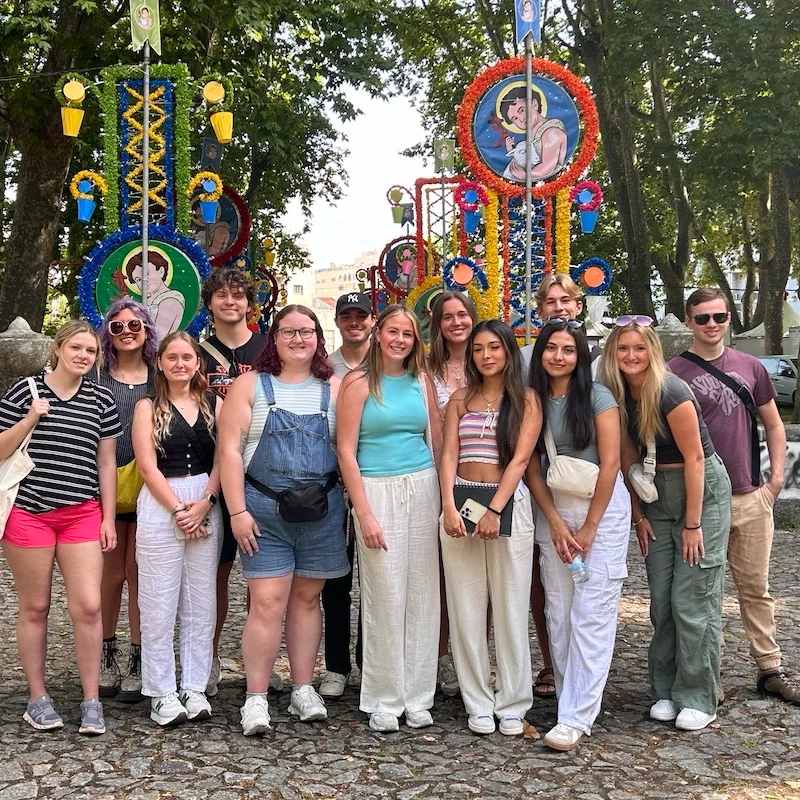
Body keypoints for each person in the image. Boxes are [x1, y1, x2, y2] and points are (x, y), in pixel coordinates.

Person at [218, 305, 349, 735]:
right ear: (273, 338)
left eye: (306, 332)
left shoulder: (336, 386)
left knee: (307, 601)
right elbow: (230, 452)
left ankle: (302, 688)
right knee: (267, 602)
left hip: (322, 511)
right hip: (264, 513)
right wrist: (237, 511)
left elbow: (348, 449)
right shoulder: (250, 385)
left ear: (318, 338)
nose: (298, 339)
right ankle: (256, 696)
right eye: (288, 332)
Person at [669, 288, 799, 705]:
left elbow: (774, 424)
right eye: (703, 318)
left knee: (755, 587)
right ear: (688, 321)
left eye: (720, 317)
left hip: (748, 494)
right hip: (702, 497)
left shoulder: (750, 367)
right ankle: (708, 674)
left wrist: (775, 479)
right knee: (704, 590)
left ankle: (769, 667)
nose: (712, 325)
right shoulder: (673, 372)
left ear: (729, 319)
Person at [601, 317, 731, 731]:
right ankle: (666, 689)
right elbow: (625, 458)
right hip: (655, 496)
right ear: (613, 353)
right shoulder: (617, 393)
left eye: (639, 348)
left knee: (692, 599)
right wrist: (638, 514)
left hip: (698, 494)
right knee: (661, 600)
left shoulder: (670, 390)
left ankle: (698, 695)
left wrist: (693, 524)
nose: (631, 356)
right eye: (623, 348)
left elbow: (694, 459)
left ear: (652, 351)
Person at [0, 320, 121, 735]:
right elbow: (0, 449)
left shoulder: (101, 400)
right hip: (29, 513)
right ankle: (37, 698)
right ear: (58, 347)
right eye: (76, 347)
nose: (83, 356)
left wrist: (107, 516)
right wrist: (31, 418)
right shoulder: (24, 390)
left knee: (88, 606)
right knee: (35, 607)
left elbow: (106, 462)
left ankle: (90, 700)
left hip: (81, 514)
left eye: (91, 350)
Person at [337, 305, 442, 733]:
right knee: (383, 592)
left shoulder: (422, 381)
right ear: (379, 335)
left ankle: (418, 694)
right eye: (393, 331)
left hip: (422, 485)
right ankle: (383, 695)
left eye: (409, 334)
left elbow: (435, 438)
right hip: (376, 490)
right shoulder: (358, 382)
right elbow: (345, 450)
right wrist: (363, 512)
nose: (400, 339)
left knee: (423, 592)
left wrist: (445, 499)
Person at [526, 319, 630, 751]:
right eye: (551, 348)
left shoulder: (598, 397)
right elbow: (531, 464)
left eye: (568, 350)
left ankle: (577, 716)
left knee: (592, 614)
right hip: (554, 508)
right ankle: (570, 702)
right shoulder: (531, 399)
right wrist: (552, 519)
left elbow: (611, 464)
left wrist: (588, 528)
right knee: (559, 611)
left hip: (600, 511)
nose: (558, 357)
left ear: (580, 355)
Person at [439, 320, 539, 736]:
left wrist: (495, 509)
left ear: (508, 351)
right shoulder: (460, 399)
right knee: (465, 607)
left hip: (506, 501)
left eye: (494, 347)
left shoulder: (527, 399)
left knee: (512, 604)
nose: (486, 355)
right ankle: (477, 700)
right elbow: (448, 455)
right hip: (461, 497)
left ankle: (513, 701)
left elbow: (520, 460)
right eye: (478, 348)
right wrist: (447, 503)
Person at [132, 332, 223, 727]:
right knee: (158, 601)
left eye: (188, 357)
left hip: (205, 497)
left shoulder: (214, 404)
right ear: (161, 363)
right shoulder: (147, 406)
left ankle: (195, 686)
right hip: (161, 503)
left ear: (197, 363)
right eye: (173, 357)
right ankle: (162, 691)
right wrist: (178, 510)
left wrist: (204, 503)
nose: (181, 364)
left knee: (201, 603)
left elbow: (225, 457)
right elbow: (146, 466)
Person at [198, 268, 270, 697]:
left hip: (261, 472)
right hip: (209, 469)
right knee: (216, 574)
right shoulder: (196, 352)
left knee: (267, 576)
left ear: (249, 303)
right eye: (222, 295)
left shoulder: (268, 349)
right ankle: (207, 657)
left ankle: (260, 660)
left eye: (238, 295)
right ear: (209, 303)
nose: (230, 301)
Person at [520, 273, 590, 700]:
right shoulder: (526, 357)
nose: (559, 307)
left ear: (578, 306)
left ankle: (586, 669)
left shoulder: (598, 356)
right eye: (551, 301)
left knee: (588, 581)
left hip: (586, 483)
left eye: (566, 300)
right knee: (542, 580)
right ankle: (552, 661)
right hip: (536, 478)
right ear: (540, 309)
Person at [97, 299, 157, 703]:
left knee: (140, 576)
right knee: (108, 576)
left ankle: (139, 655)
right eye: (117, 327)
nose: (127, 332)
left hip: (151, 489)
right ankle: (105, 652)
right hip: (101, 487)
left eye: (134, 325)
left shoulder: (160, 377)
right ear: (108, 335)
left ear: (147, 329)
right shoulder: (97, 377)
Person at [319, 292, 375, 700]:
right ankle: (337, 666)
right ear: (338, 322)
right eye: (347, 316)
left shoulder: (389, 363)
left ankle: (371, 660)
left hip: (377, 481)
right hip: (334, 485)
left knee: (376, 579)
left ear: (372, 320)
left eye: (362, 315)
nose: (354, 322)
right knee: (335, 580)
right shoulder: (325, 368)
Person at [427, 291, 477, 698]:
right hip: (436, 476)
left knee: (484, 572)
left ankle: (475, 656)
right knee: (443, 572)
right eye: (448, 317)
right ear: (438, 325)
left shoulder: (490, 362)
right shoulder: (426, 369)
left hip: (483, 477)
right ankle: (442, 656)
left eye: (463, 315)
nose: (457, 322)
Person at [498, 87, 567, 182]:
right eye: (515, 119)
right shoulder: (531, 137)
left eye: (522, 110)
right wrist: (515, 152)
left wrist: (525, 175)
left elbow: (548, 166)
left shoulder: (551, 132)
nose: (521, 119)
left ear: (534, 104)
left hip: (553, 184)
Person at [126, 250, 185, 340]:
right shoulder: (146, 300)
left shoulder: (170, 300)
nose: (144, 281)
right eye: (138, 279)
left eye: (147, 274)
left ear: (161, 271)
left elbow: (157, 337)